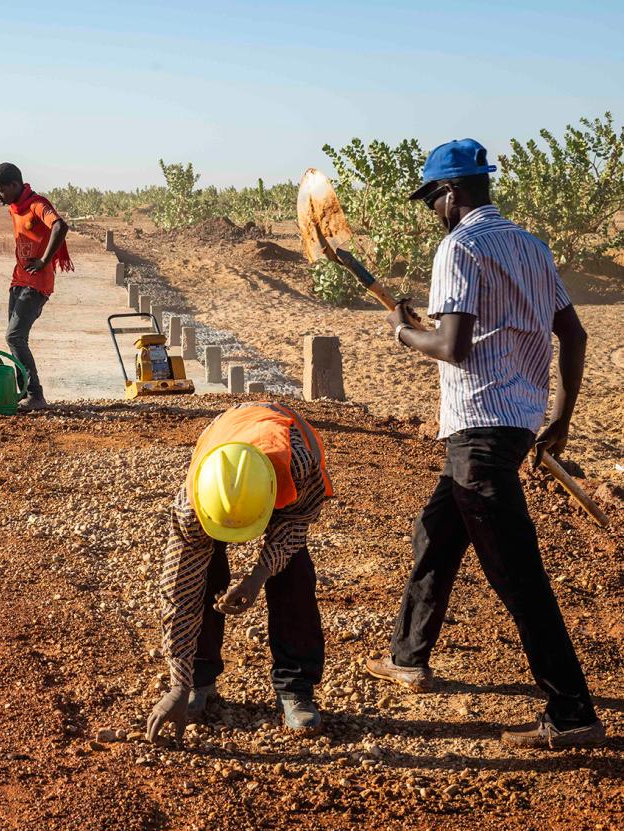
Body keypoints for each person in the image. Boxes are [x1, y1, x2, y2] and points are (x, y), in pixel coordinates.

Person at [367, 138, 604, 749]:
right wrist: (560, 419)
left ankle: (572, 713)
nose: (431, 212)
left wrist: (401, 332)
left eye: (432, 199)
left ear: (453, 194)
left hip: (479, 432)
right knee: (435, 535)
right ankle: (408, 656)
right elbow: (572, 334)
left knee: (518, 576)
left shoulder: (460, 246)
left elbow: (453, 347)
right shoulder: (531, 246)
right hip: (514, 424)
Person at [146, 401, 334, 741]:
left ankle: (296, 687)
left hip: (285, 471)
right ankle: (199, 679)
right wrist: (178, 683)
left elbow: (293, 527)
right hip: (230, 448)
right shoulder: (193, 502)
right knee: (201, 577)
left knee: (293, 574)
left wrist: (258, 575)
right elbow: (179, 593)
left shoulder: (300, 468)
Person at [0, 163, 72, 411]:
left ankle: (36, 394)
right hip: (18, 281)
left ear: (15, 185)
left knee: (14, 335)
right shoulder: (15, 208)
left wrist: (45, 260)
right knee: (16, 339)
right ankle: (25, 392)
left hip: (37, 284)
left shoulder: (37, 204)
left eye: (1, 190)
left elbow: (60, 226)